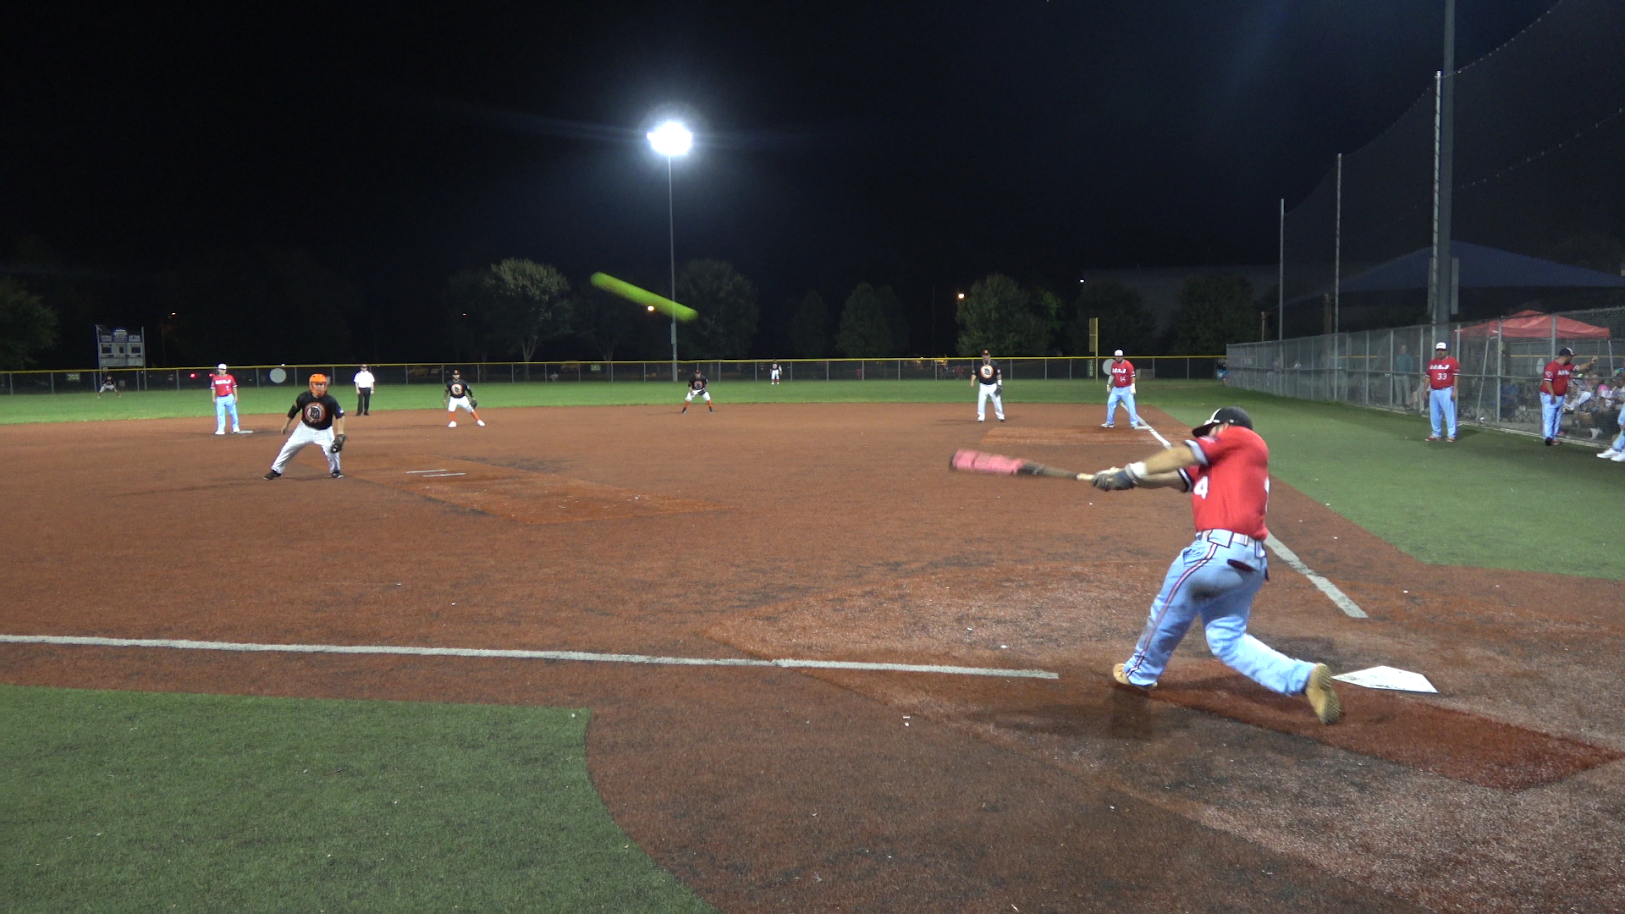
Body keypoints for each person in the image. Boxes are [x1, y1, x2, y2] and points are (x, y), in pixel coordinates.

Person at [1089, 406, 1342, 725]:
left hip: (1216, 551)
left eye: (1210, 430)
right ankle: (1304, 677)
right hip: (1247, 563)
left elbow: (1181, 454)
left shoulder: (1242, 438)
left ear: (1224, 426)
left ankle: (1139, 673)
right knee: (1227, 640)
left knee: (1168, 607)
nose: (1207, 436)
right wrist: (1124, 480)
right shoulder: (1225, 464)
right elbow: (1173, 478)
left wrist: (1132, 471)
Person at [264, 374, 345, 479]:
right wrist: (286, 424)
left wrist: (340, 433)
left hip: (324, 431)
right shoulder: (303, 397)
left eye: (322, 384)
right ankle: (276, 470)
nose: (320, 386)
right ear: (311, 385)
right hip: (304, 428)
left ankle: (335, 471)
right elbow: (293, 411)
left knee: (332, 450)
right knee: (289, 447)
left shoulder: (330, 400)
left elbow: (340, 415)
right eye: (317, 384)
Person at [1538, 347, 1597, 445]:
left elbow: (1580, 368)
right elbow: (1548, 381)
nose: (1572, 358)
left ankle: (1553, 437)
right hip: (1549, 395)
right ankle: (1548, 437)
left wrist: (1591, 363)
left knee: (1557, 417)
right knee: (1550, 416)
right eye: (1571, 356)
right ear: (1565, 356)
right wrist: (1552, 394)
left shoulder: (1568, 366)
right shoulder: (1552, 366)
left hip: (1560, 395)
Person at [1424, 341, 1460, 442]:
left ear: (1446, 350)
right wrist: (1424, 390)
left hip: (1446, 390)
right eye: (1438, 350)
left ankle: (1451, 435)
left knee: (1449, 413)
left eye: (1442, 350)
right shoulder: (1432, 363)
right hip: (1434, 390)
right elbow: (1428, 376)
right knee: (1435, 413)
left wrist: (1454, 391)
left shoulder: (1452, 361)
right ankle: (1436, 434)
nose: (1440, 352)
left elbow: (1456, 377)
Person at [1101, 349, 1144, 429]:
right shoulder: (1114, 364)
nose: (1118, 358)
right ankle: (1110, 422)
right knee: (1110, 403)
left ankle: (1134, 423)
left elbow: (1132, 376)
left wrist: (1133, 387)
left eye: (1120, 356)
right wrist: (1108, 384)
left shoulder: (1128, 364)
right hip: (1116, 389)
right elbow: (1112, 375)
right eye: (1117, 356)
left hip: (1126, 389)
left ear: (1122, 356)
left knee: (1130, 405)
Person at [971, 349, 1004, 422]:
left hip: (993, 385)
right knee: (981, 401)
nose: (985, 356)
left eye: (987, 355)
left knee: (997, 400)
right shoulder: (979, 364)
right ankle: (981, 417)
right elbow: (974, 374)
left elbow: (998, 374)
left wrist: (999, 384)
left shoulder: (994, 364)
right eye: (984, 355)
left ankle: (1001, 416)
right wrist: (972, 382)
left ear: (989, 356)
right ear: (982, 356)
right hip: (983, 386)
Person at [209, 363, 242, 435]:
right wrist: (213, 398)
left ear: (226, 370)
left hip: (229, 397)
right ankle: (221, 429)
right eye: (221, 369)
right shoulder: (215, 378)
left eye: (223, 369)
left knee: (233, 412)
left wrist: (236, 396)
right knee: (220, 414)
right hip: (220, 398)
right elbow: (213, 388)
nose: (222, 371)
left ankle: (236, 427)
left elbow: (234, 387)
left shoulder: (230, 377)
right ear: (218, 370)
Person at [1391, 343, 1416, 409]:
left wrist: (1408, 374)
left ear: (1406, 349)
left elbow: (1410, 366)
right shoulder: (1398, 357)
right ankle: (1399, 402)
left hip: (1405, 376)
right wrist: (1395, 373)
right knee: (1398, 390)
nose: (1402, 350)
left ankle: (1408, 403)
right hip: (1397, 376)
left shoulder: (1408, 357)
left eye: (1404, 349)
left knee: (1407, 390)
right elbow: (1395, 365)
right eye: (1401, 349)